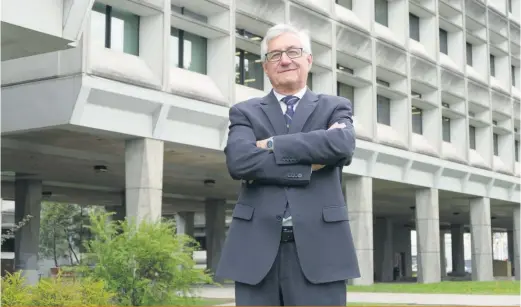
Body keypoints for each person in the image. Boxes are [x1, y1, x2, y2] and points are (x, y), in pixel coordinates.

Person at [215, 23, 360, 306]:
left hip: (321, 249)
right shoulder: (244, 111)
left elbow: (341, 145)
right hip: (255, 251)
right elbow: (240, 161)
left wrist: (273, 144)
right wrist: (308, 165)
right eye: (274, 55)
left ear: (308, 59)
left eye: (293, 51)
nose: (284, 60)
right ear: (266, 67)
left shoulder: (334, 106)